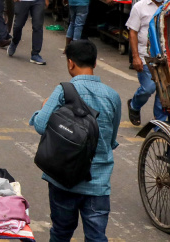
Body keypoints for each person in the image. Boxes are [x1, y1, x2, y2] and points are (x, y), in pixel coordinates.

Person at [29, 40, 121, 242]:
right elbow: (111, 139)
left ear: (70, 63)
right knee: (96, 236)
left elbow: (41, 125)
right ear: (95, 63)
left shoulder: (63, 91)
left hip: (63, 179)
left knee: (61, 232)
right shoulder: (112, 96)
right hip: (97, 182)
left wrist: (42, 107)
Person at [127, 0, 168, 125]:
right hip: (146, 57)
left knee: (163, 92)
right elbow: (133, 32)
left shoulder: (167, 6)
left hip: (164, 58)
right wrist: (136, 57)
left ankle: (160, 126)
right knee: (148, 88)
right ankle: (134, 105)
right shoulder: (139, 7)